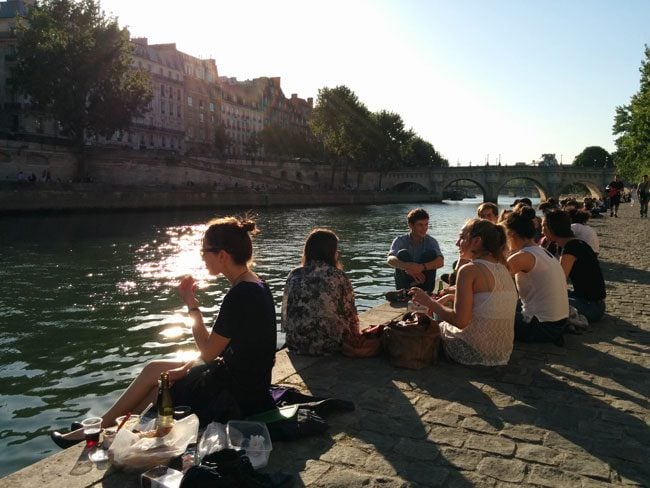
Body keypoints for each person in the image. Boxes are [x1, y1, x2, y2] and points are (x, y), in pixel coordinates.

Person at [51, 216, 277, 447]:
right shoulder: (257, 284)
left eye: (204, 251)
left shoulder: (240, 295)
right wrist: (188, 367)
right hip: (248, 383)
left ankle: (102, 431)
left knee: (161, 387)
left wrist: (191, 304)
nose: (201, 257)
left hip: (238, 394)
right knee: (156, 371)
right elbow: (223, 351)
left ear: (222, 255)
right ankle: (104, 428)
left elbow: (208, 353)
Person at [410, 219, 518, 366]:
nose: (457, 243)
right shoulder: (503, 266)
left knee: (422, 325)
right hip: (501, 352)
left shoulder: (470, 270)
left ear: (477, 241)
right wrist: (451, 296)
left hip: (472, 351)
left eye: (462, 238)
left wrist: (429, 302)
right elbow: (488, 303)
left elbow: (460, 322)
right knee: (439, 313)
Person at [282, 228, 359, 355]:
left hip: (296, 343)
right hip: (330, 345)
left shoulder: (294, 274)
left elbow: (286, 312)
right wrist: (356, 338)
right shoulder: (337, 276)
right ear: (331, 252)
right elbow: (350, 312)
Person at [503, 206, 569, 345]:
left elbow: (491, 282)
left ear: (512, 234)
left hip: (541, 327)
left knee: (484, 311)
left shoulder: (522, 257)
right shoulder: (542, 252)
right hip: (559, 324)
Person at [542, 210, 606, 322]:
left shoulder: (572, 247)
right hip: (583, 298)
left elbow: (559, 280)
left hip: (591, 306)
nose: (542, 231)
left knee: (542, 300)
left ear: (552, 228)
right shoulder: (565, 244)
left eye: (543, 226)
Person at [387, 208, 444, 293]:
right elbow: (390, 260)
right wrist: (409, 267)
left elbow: (440, 262)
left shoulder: (431, 241)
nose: (424, 228)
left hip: (424, 282)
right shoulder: (400, 240)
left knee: (431, 254)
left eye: (426, 224)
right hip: (405, 282)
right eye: (420, 225)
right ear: (411, 225)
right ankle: (405, 291)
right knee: (402, 254)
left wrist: (421, 267)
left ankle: (426, 292)